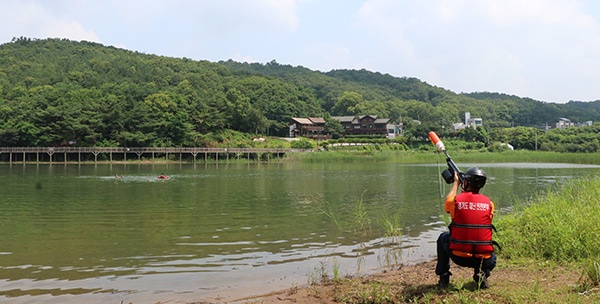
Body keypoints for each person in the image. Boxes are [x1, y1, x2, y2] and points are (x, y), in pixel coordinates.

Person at [435, 167, 497, 289]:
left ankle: (444, 276)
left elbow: (448, 203)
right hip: (484, 260)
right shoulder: (489, 204)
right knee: (483, 242)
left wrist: (456, 183)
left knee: (443, 237)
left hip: (459, 257)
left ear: (466, 182)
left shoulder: (455, 201)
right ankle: (482, 273)